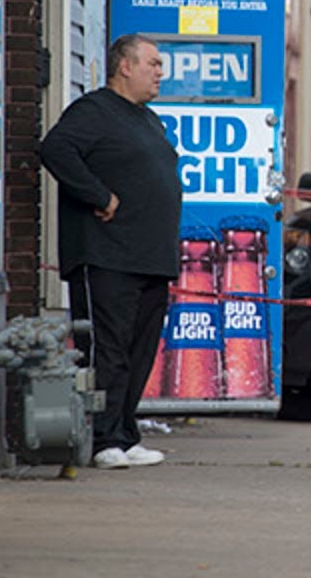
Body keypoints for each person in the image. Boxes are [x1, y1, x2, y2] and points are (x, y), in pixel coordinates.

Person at [40, 34, 181, 470]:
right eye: (153, 63)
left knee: (139, 350)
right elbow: (55, 149)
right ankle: (102, 439)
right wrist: (99, 196)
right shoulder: (94, 110)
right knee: (108, 347)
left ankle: (124, 431)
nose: (161, 72)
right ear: (125, 65)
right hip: (107, 255)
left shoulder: (149, 119)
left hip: (150, 257)